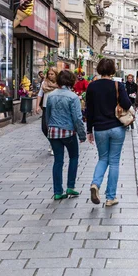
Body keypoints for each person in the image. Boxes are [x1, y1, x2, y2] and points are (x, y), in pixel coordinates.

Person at [85, 58, 132, 206]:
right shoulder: (118, 85)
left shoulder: (92, 87)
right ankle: (110, 197)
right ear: (112, 70)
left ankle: (95, 184)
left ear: (99, 69)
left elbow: (89, 110)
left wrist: (89, 130)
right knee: (114, 162)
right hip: (117, 127)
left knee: (103, 159)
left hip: (100, 129)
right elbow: (126, 103)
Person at [45, 70, 86, 200]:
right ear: (71, 81)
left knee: (58, 161)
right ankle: (70, 187)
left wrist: (49, 129)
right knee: (73, 157)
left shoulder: (51, 96)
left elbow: (48, 115)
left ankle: (58, 191)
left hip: (53, 132)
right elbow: (77, 118)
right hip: (68, 132)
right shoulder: (73, 97)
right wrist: (82, 134)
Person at [36, 67, 59, 155]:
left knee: (53, 128)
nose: (50, 76)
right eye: (49, 74)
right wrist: (37, 106)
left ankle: (54, 145)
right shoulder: (44, 83)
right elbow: (40, 94)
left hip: (56, 108)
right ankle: (52, 142)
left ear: (56, 74)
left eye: (52, 74)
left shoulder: (59, 84)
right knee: (44, 128)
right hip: (46, 107)